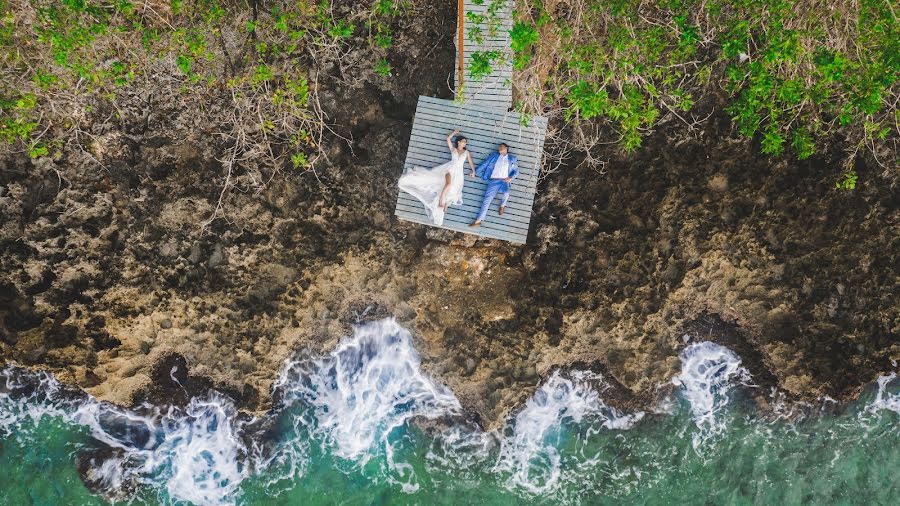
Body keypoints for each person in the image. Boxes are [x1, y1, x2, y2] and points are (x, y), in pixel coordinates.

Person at [398, 129, 476, 226]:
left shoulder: (466, 152)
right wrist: (454, 133)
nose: (465, 143)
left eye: (465, 142)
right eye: (463, 141)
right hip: (449, 169)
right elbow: (448, 138)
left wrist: (473, 171)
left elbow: (471, 162)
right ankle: (441, 199)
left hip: (459, 173)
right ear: (459, 142)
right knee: (448, 184)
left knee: (453, 190)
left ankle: (446, 203)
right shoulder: (454, 150)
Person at [469, 142, 518, 228]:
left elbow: (516, 171)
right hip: (494, 181)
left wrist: (511, 178)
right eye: (499, 147)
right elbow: (485, 163)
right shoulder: (494, 155)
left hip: (504, 181)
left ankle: (502, 205)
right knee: (486, 200)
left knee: (506, 193)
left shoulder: (512, 159)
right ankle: (478, 221)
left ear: (506, 148)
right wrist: (475, 172)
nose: (499, 148)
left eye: (501, 147)